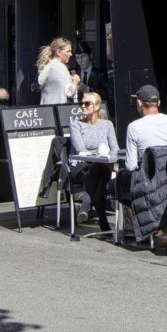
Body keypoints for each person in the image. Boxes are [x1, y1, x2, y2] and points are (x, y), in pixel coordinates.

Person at [69, 92, 118, 231]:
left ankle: (87, 204)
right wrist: (101, 153)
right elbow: (81, 150)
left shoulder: (107, 124)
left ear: (97, 106)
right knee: (99, 170)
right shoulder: (76, 125)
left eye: (87, 103)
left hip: (100, 167)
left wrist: (106, 155)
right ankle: (102, 220)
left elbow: (115, 148)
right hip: (80, 166)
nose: (83, 106)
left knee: (99, 170)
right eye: (81, 103)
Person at [124, 85, 167, 172]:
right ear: (158, 103)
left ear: (139, 103)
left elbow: (131, 166)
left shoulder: (134, 127)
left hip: (148, 181)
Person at [37, 38, 80, 105]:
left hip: (48, 108)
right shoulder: (59, 67)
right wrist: (75, 81)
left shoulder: (49, 65)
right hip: (60, 110)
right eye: (68, 51)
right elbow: (69, 93)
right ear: (58, 52)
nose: (71, 54)